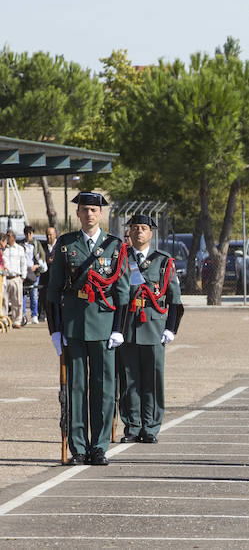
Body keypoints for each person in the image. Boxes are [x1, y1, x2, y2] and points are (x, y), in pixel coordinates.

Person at [46, 192, 131, 465]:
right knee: (76, 389)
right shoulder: (65, 244)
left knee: (104, 388)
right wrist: (55, 330)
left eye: (94, 210)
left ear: (101, 214)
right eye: (84, 210)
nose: (89, 214)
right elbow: (53, 291)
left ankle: (99, 446)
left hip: (105, 326)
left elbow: (123, 293)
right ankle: (79, 447)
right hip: (74, 325)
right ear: (78, 214)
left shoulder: (115, 247)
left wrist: (119, 328)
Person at [118, 214, 183, 443]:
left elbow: (175, 299)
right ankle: (132, 426)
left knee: (152, 380)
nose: (138, 232)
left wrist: (171, 328)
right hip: (127, 326)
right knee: (127, 380)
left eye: (143, 228)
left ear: (151, 233)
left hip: (154, 327)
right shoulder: (121, 259)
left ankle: (151, 427)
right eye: (135, 228)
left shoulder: (163, 261)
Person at [22, 226, 47, 324]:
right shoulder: (21, 244)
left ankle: (34, 315)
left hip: (34, 273)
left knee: (34, 294)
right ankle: (23, 314)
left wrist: (36, 266)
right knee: (23, 294)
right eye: (26, 234)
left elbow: (42, 258)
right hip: (24, 272)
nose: (28, 236)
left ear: (33, 234)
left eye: (30, 233)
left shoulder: (37, 244)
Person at [2, 229, 26, 328]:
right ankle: (4, 320)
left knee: (17, 301)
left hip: (16, 278)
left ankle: (17, 321)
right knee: (4, 300)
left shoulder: (19, 249)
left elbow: (23, 263)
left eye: (9, 236)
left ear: (14, 238)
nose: (7, 238)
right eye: (6, 236)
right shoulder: (3, 249)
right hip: (5, 278)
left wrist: (23, 277)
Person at [38, 226, 58, 322]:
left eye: (50, 234)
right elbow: (38, 258)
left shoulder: (59, 245)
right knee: (43, 296)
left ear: (55, 235)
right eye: (47, 235)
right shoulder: (42, 246)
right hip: (45, 276)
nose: (48, 237)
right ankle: (41, 315)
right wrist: (45, 261)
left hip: (56, 276)